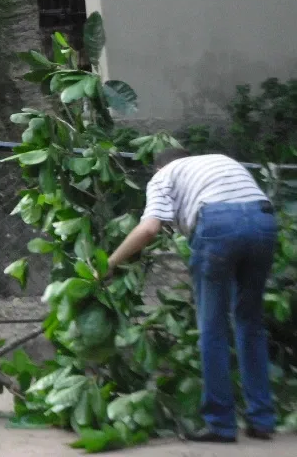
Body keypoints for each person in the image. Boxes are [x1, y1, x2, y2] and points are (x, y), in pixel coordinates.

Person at [106, 147, 278, 444]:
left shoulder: (163, 177)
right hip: (263, 222)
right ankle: (262, 420)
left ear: (159, 167)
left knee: (213, 328)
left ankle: (221, 425)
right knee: (250, 325)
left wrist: (109, 263)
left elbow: (148, 229)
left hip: (218, 226)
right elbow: (244, 202)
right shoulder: (223, 161)